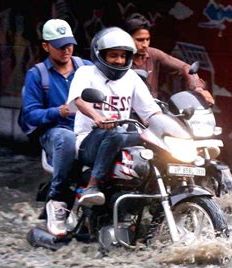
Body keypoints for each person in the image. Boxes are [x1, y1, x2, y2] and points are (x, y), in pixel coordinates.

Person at [67, 27, 161, 206]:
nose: (119, 61)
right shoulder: (86, 73)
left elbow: (150, 111)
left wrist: (167, 127)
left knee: (149, 140)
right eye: (113, 55)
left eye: (123, 56)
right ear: (101, 55)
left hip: (120, 139)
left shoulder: (132, 78)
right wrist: (97, 118)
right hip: (89, 142)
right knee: (116, 131)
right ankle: (92, 186)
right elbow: (79, 100)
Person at [21, 19, 92, 236]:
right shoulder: (37, 75)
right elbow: (30, 114)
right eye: (60, 45)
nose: (66, 50)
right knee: (66, 138)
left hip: (87, 129)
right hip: (55, 132)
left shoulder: (87, 68)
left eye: (69, 44)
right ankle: (57, 200)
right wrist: (57, 111)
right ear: (45, 46)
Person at [123, 13, 215, 105]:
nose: (145, 45)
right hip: (126, 109)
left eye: (147, 39)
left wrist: (198, 88)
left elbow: (185, 67)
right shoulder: (119, 58)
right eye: (140, 40)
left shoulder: (154, 54)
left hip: (151, 110)